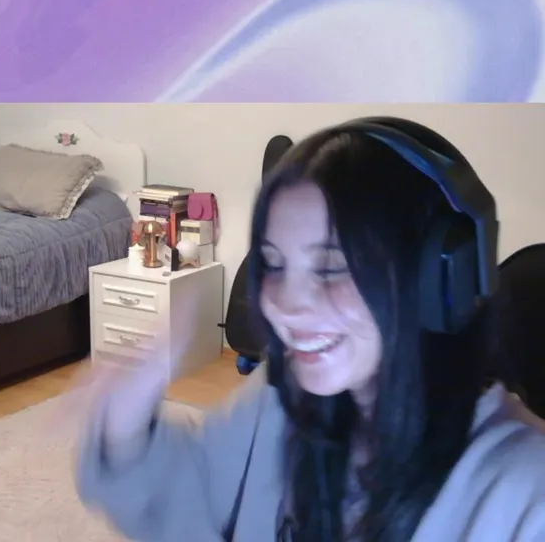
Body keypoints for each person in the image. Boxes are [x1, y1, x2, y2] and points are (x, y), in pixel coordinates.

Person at [74, 118, 545, 541]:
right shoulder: (278, 399)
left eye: (331, 268)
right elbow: (191, 507)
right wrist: (124, 427)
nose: (284, 305)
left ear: (437, 279)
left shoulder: (524, 498)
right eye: (274, 264)